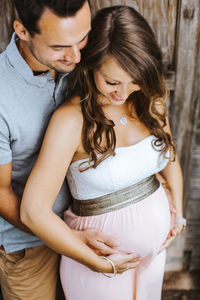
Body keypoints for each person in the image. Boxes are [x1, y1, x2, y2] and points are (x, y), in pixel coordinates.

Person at [21, 5, 186, 300]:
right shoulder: (70, 121)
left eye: (134, 81)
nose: (123, 94)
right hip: (96, 266)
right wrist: (99, 263)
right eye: (112, 82)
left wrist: (179, 215)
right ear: (92, 64)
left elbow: (170, 156)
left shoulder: (150, 100)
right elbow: (33, 211)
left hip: (154, 259)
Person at [0, 1, 132, 299]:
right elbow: (0, 191)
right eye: (60, 47)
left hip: (93, 223)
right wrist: (66, 236)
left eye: (82, 38)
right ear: (22, 30)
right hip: (30, 245)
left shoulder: (89, 58)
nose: (76, 57)